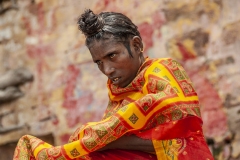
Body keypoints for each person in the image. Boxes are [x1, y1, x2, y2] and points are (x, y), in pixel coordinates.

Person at [13, 9, 214, 160]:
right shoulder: (118, 94)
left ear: (136, 45)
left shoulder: (163, 71)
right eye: (98, 62)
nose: (107, 70)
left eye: (112, 56)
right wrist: (97, 140)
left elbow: (182, 137)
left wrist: (96, 139)